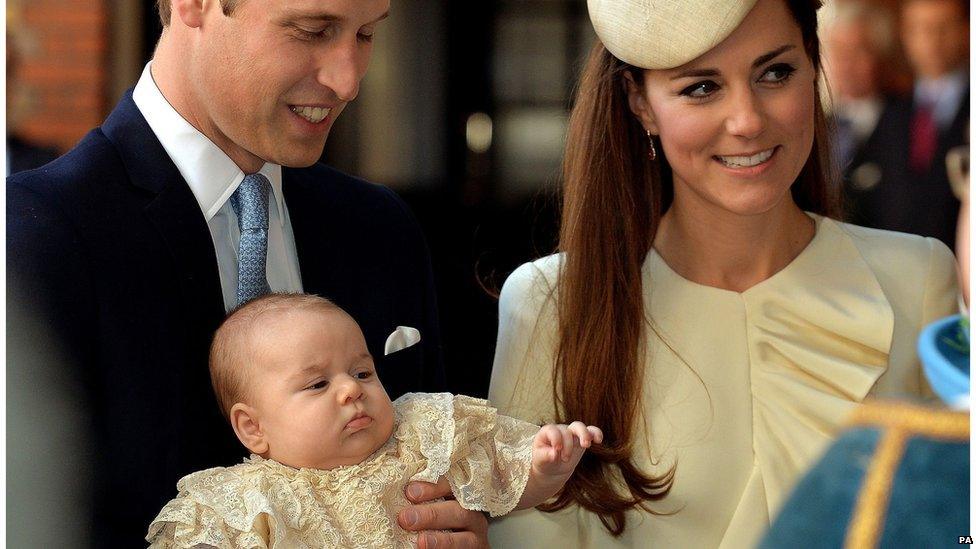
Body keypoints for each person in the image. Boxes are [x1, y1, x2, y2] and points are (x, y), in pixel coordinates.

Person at [6, 1, 484, 546]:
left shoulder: (382, 230)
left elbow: (446, 463)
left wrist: (457, 524)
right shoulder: (30, 241)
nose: (348, 80)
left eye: (367, 34)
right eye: (312, 30)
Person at [488, 0, 958, 546]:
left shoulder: (920, 277)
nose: (748, 121)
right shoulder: (551, 303)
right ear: (640, 103)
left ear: (813, 65)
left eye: (776, 73)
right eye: (701, 88)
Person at [147, 293, 603, 547]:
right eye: (317, 385)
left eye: (363, 371)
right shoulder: (245, 502)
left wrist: (546, 466)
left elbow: (505, 480)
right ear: (253, 428)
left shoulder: (421, 434)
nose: (352, 389)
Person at [843, 0, 969, 248]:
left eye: (942, 27)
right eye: (919, 28)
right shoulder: (891, 113)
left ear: (966, 31)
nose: (931, 40)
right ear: (904, 35)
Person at [820, 1, 896, 173]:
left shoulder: (905, 122)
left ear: (880, 53)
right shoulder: (817, 126)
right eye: (839, 51)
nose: (846, 63)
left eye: (857, 51)